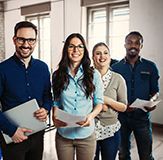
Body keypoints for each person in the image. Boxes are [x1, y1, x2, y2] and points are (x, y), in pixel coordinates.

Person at [0, 21, 52, 160]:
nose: (26, 44)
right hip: (13, 138)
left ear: (35, 41)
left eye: (31, 40)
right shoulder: (2, 69)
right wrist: (11, 131)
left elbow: (48, 96)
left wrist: (46, 109)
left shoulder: (42, 68)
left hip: (37, 135)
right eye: (21, 39)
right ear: (14, 40)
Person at [52, 33, 104, 160]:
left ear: (84, 50)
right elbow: (56, 102)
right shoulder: (57, 75)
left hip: (86, 135)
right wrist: (54, 117)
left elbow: (99, 103)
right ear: (66, 50)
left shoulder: (94, 74)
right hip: (64, 135)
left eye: (80, 47)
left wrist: (90, 117)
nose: (76, 50)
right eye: (71, 46)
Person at [112, 31, 160, 160]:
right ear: (125, 45)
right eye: (130, 42)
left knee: (146, 155)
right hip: (121, 119)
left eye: (137, 43)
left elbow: (155, 91)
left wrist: (152, 101)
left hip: (142, 118)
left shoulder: (151, 67)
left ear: (141, 46)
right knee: (122, 154)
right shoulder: (115, 68)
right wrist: (120, 106)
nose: (133, 45)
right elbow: (111, 93)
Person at [92, 42, 127, 160]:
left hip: (110, 130)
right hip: (88, 129)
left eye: (105, 53)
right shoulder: (85, 78)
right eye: (98, 53)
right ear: (93, 57)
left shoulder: (118, 79)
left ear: (110, 57)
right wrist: (100, 106)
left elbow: (123, 107)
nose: (102, 56)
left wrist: (108, 101)